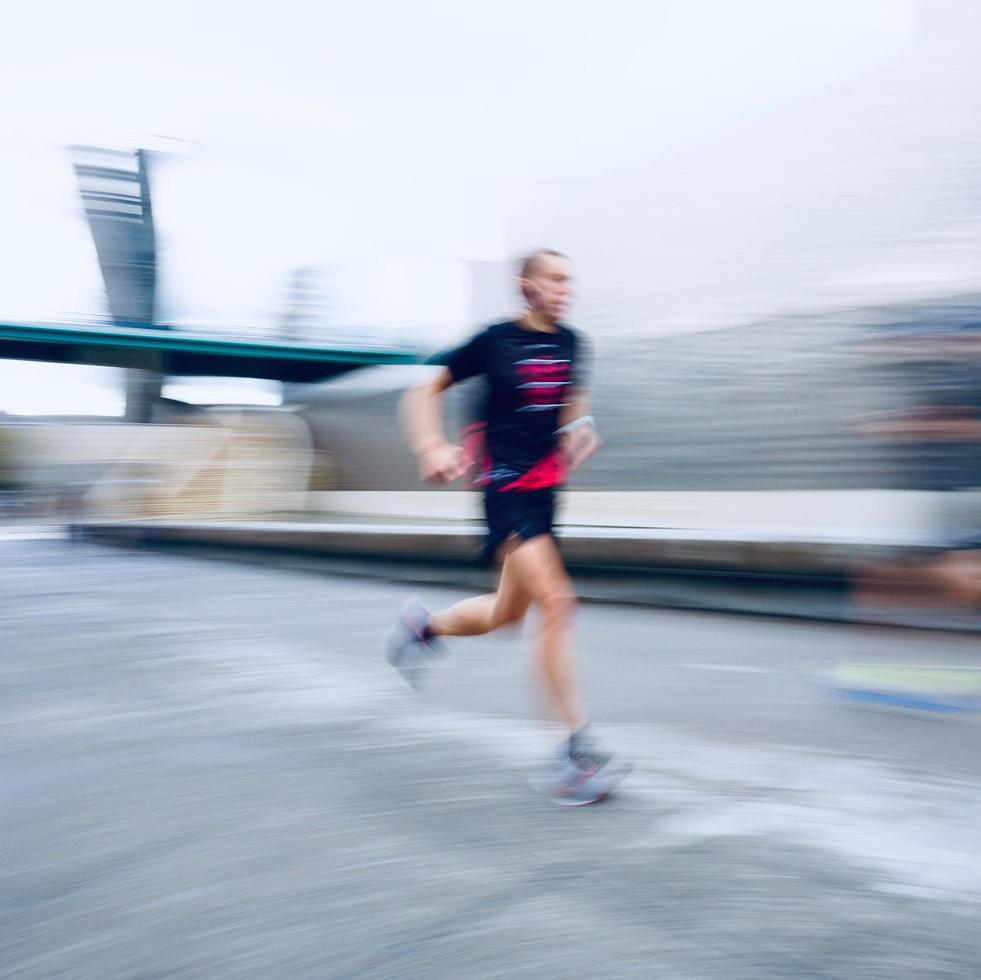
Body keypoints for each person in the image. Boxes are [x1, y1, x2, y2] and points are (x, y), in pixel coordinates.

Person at [386, 249, 630, 805]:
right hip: (505, 490)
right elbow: (422, 390)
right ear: (526, 285)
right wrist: (431, 444)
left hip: (545, 494)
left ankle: (424, 627)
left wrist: (580, 428)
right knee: (558, 602)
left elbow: (572, 402)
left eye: (571, 279)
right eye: (554, 278)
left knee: (506, 615)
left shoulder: (573, 344)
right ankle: (572, 755)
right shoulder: (494, 341)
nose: (566, 288)